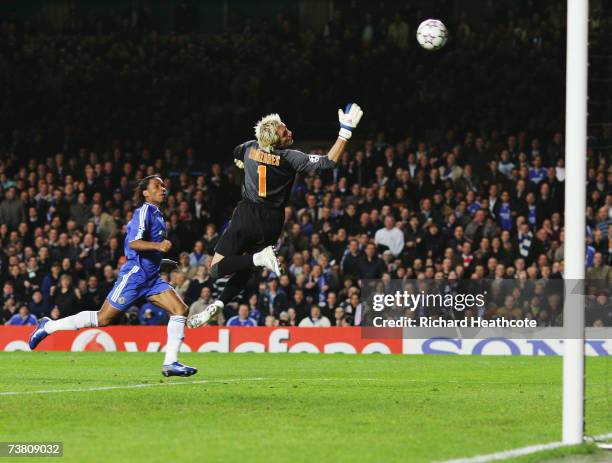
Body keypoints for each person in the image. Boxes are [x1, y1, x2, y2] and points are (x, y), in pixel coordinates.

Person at [187, 103, 363, 328]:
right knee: (247, 267)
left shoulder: (249, 147)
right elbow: (328, 162)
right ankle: (220, 304)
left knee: (215, 268)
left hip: (247, 214)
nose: (289, 131)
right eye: (284, 132)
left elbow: (236, 152)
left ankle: (255, 262)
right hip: (272, 222)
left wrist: (240, 162)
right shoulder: (290, 157)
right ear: (276, 142)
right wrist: (345, 132)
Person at [29, 175, 197, 377]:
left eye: (163, 185)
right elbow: (134, 243)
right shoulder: (143, 211)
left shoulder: (158, 214)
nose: (163, 189)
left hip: (151, 279)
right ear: (145, 193)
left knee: (180, 309)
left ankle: (171, 362)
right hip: (135, 276)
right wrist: (159, 246)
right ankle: (49, 326)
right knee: (103, 318)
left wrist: (160, 261)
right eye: (157, 186)